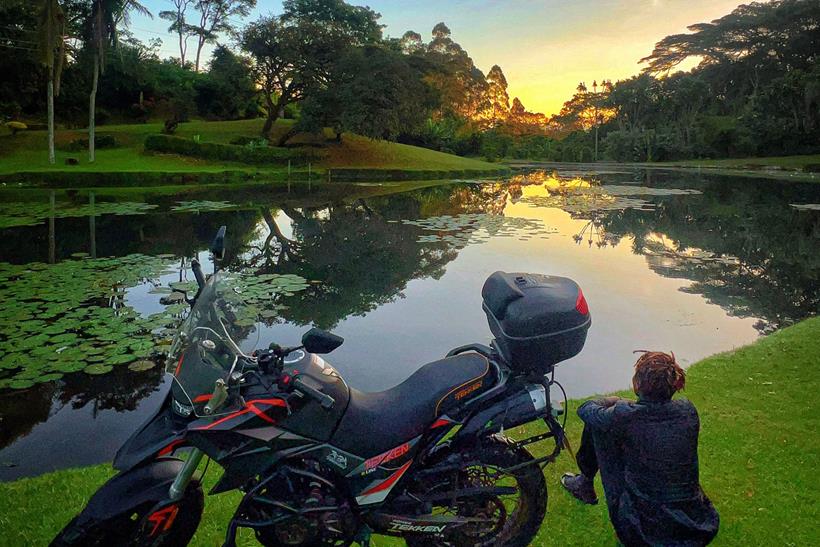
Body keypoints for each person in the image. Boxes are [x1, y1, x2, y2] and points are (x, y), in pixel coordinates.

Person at [561, 351, 719, 546]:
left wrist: (612, 400)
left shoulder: (625, 417)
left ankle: (584, 484)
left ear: (638, 383)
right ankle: (584, 484)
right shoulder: (687, 411)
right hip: (695, 526)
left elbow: (584, 409)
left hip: (641, 533)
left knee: (598, 424)